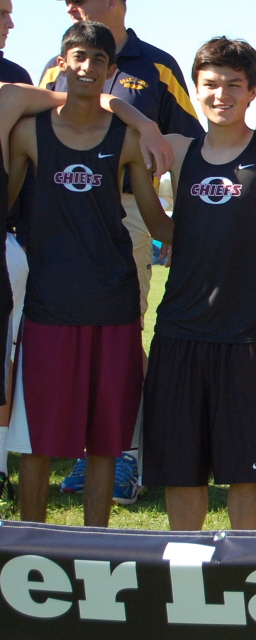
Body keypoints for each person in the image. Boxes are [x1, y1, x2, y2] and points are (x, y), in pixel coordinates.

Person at [6, 21, 173, 527]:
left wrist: (226, 228)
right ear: (61, 63)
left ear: (110, 69)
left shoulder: (127, 140)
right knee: (39, 442)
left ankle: (96, 546)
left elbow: (158, 223)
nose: (87, 66)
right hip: (48, 305)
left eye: (98, 59)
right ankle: (33, 543)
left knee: (104, 441)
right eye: (78, 56)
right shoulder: (28, 133)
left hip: (113, 304)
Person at [43, 0, 203, 506]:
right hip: (59, 216)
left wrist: (191, 225)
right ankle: (82, 449)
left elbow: (190, 143)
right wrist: (130, 113)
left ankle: (125, 454)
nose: (71, 5)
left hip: (130, 209)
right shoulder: (54, 64)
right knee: (63, 334)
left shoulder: (157, 65)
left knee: (121, 332)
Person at [142, 37, 256, 531]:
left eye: (234, 84)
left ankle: (246, 570)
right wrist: (140, 122)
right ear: (196, 88)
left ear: (253, 91)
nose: (221, 94)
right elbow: (114, 130)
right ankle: (187, 567)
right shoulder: (177, 149)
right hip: (179, 334)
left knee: (248, 476)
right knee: (181, 473)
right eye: (210, 84)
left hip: (245, 339)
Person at [0, 0, 31, 515]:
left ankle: (1, 464)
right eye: (2, 12)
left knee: (5, 357)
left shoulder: (14, 83)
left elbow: (85, 97)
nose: (10, 22)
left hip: (5, 242)